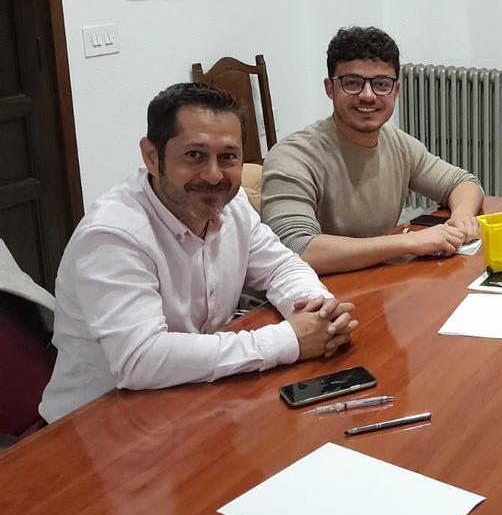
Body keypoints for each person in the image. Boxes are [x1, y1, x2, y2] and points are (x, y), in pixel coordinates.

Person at [39, 84, 357, 423]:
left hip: (190, 400)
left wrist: (319, 310)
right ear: (152, 156)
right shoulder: (113, 234)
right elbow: (141, 359)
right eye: (194, 155)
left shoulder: (230, 206)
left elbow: (280, 266)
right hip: (95, 426)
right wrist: (289, 339)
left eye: (228, 157)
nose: (214, 175)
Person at [262, 26, 485, 274]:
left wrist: (462, 216)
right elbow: (296, 250)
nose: (368, 95)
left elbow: (463, 182)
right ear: (329, 88)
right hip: (309, 298)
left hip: (371, 284)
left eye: (381, 84)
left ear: (396, 91)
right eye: (353, 83)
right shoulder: (293, 157)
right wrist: (407, 242)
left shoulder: (398, 144)